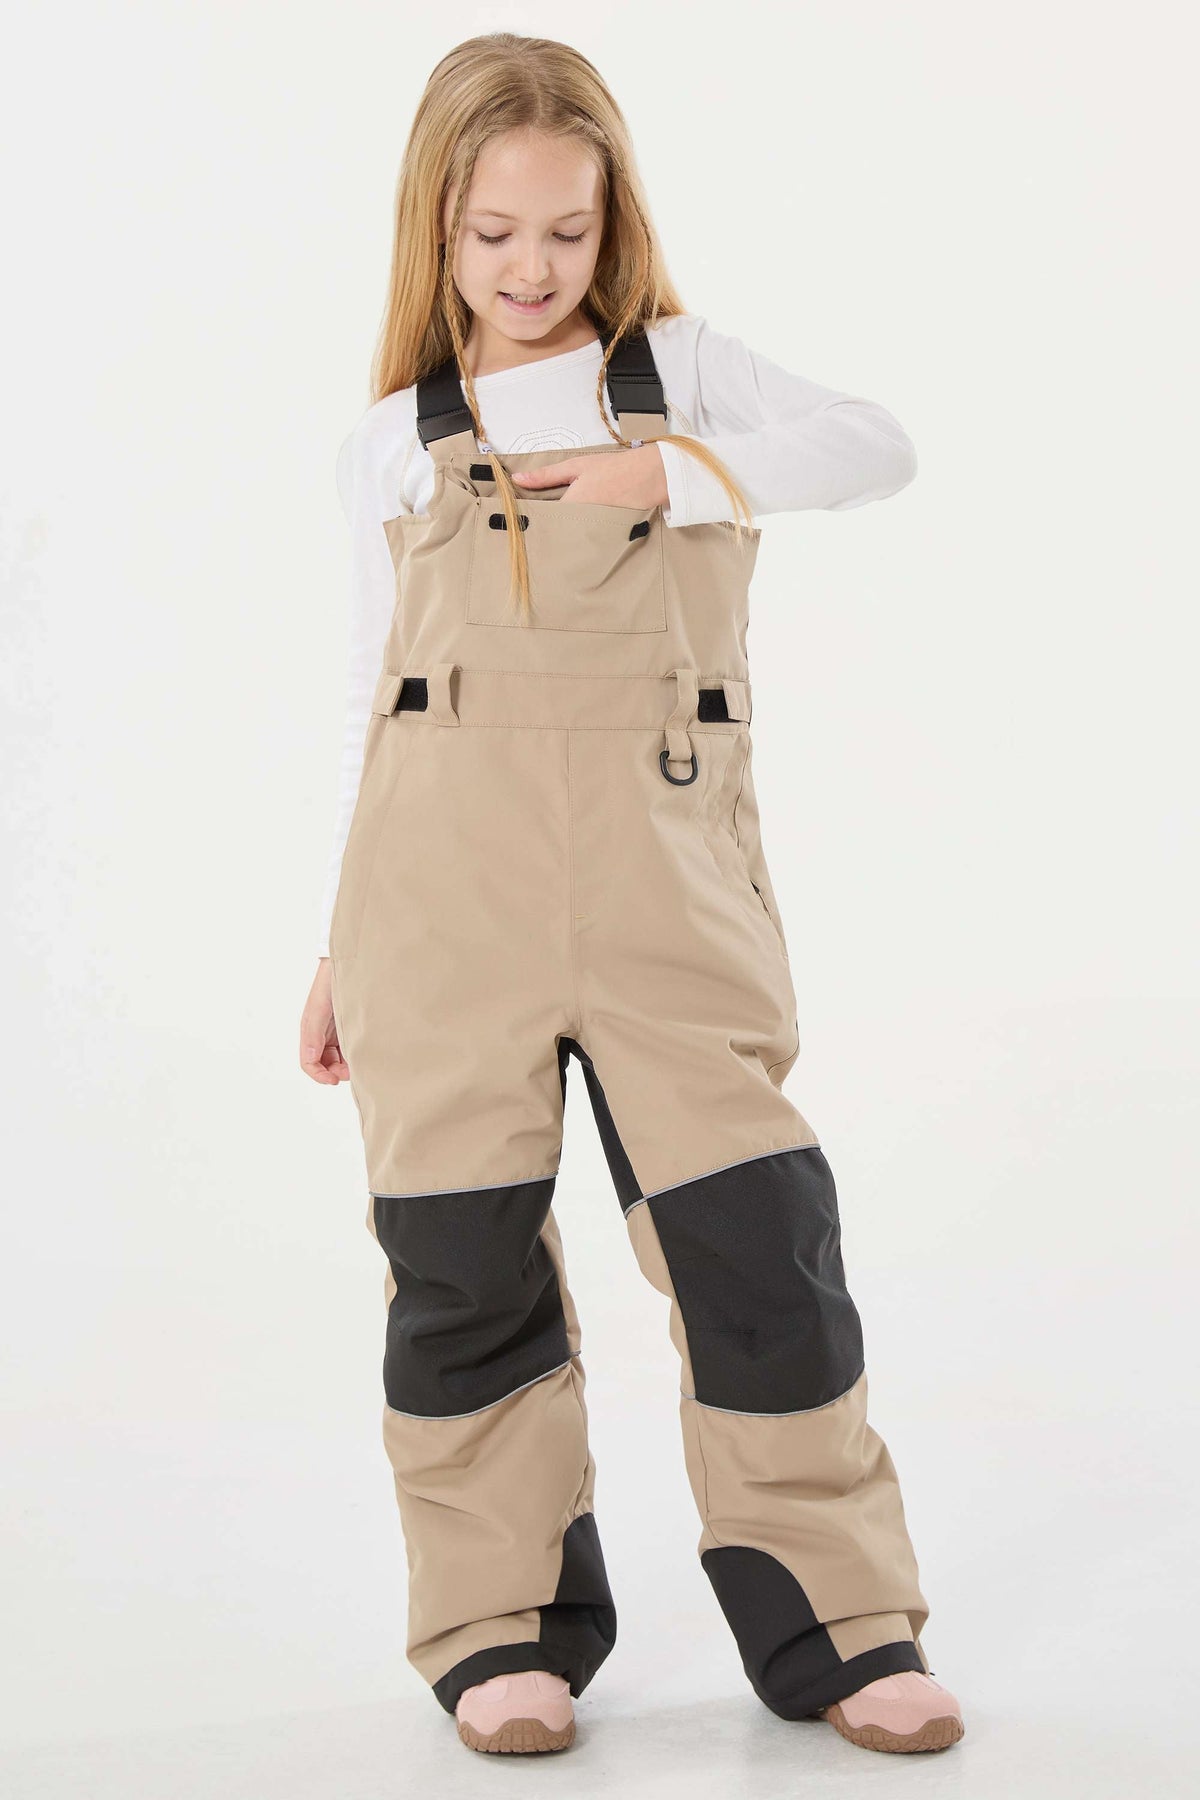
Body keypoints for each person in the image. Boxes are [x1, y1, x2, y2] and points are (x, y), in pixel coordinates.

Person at [299, 30, 964, 1761]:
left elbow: (878, 445)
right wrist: (333, 946)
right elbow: (371, 697)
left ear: (617, 225)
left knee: (759, 1252)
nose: (532, 269)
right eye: (493, 234)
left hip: (674, 894)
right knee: (461, 1267)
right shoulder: (390, 444)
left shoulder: (683, 377)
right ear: (436, 229)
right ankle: (499, 1629)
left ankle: (844, 1625)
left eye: (567, 231)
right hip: (436, 906)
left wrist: (669, 472)